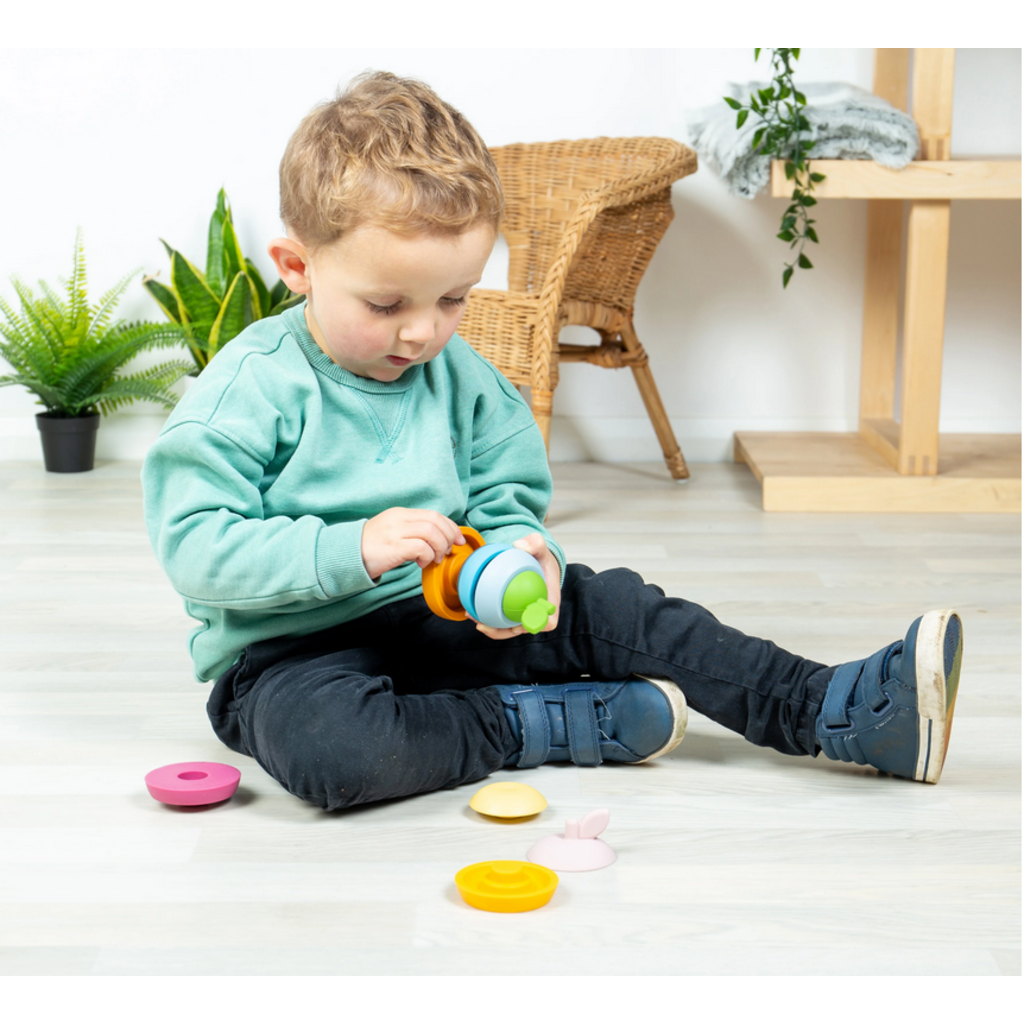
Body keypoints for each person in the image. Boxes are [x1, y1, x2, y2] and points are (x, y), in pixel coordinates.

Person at [142, 72, 963, 812]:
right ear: (297, 265)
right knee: (336, 752)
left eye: (454, 298)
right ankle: (531, 725)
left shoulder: (464, 379)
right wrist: (350, 549)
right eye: (387, 304)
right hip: (293, 654)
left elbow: (506, 496)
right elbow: (195, 545)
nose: (425, 331)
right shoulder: (250, 389)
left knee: (614, 605)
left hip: (442, 617)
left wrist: (513, 559)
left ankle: (833, 708)